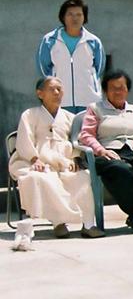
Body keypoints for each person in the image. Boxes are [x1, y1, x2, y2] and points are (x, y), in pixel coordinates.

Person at [9, 77, 99, 238]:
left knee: (82, 177)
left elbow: (76, 141)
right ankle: (58, 222)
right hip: (36, 160)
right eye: (52, 89)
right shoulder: (29, 115)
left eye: (59, 89)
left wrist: (75, 158)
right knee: (42, 178)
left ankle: (88, 224)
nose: (57, 93)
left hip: (64, 160)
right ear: (40, 93)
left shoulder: (70, 117)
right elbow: (24, 140)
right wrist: (34, 159)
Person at [77, 70, 133, 231]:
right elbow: (86, 135)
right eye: (113, 88)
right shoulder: (95, 109)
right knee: (122, 170)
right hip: (109, 152)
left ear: (127, 89)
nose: (118, 92)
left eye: (122, 87)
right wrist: (101, 150)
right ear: (105, 90)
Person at [36, 0, 105, 112]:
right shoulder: (50, 40)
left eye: (79, 15)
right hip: (59, 100)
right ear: (63, 17)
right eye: (70, 14)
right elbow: (43, 68)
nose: (75, 18)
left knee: (85, 130)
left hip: (88, 100)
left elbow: (99, 69)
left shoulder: (93, 42)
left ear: (84, 17)